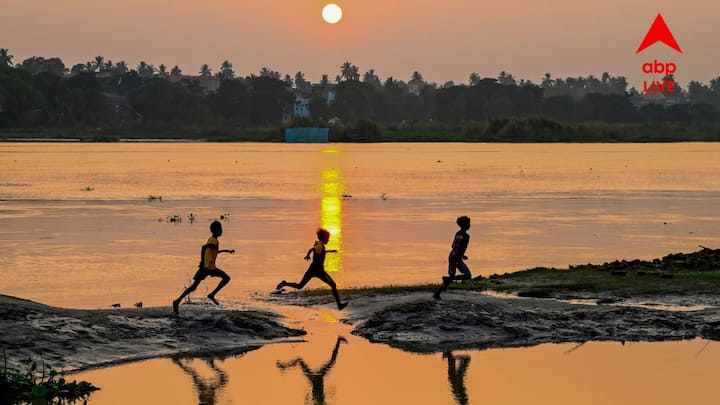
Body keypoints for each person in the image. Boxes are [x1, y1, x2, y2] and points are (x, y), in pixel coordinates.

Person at [276, 228, 348, 310]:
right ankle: (339, 305)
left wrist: (330, 251)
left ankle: (285, 283)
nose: (328, 239)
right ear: (323, 238)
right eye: (327, 238)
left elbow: (319, 252)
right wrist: (308, 255)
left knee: (300, 286)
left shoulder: (320, 246)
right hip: (319, 271)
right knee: (332, 285)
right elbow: (312, 249)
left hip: (312, 270)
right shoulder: (319, 245)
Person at [173, 220, 234, 314]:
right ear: (217, 231)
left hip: (208, 267)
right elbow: (204, 247)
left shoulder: (212, 239)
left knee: (194, 287)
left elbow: (212, 250)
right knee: (226, 278)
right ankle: (211, 295)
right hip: (207, 268)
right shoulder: (214, 241)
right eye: (221, 229)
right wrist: (202, 261)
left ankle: (177, 301)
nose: (222, 231)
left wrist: (226, 251)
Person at [433, 216, 472, 300]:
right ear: (465, 225)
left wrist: (461, 255)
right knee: (467, 276)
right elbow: (461, 248)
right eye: (468, 224)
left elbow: (453, 246)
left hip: (452, 256)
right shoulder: (466, 236)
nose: (470, 225)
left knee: (451, 276)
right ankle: (448, 279)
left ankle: (437, 293)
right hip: (456, 258)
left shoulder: (458, 233)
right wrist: (461, 255)